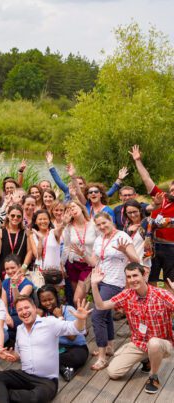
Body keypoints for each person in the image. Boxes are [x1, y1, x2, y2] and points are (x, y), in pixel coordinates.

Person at [0, 296, 91, 403]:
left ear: (34, 308)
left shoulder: (50, 323)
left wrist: (81, 319)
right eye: (20, 310)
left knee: (34, 398)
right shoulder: (20, 329)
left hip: (47, 381)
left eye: (27, 308)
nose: (24, 312)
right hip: (25, 375)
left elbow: (75, 328)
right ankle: (0, 393)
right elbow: (19, 356)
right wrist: (12, 355)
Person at [91, 263, 174, 394]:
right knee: (113, 372)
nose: (132, 280)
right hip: (139, 343)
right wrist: (94, 285)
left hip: (162, 343)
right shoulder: (127, 295)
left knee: (154, 343)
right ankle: (147, 359)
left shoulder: (162, 294)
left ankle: (153, 376)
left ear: (144, 275)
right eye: (128, 277)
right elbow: (101, 306)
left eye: (135, 275)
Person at [71, 212, 139, 370]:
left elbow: (136, 260)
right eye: (99, 225)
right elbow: (94, 262)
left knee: (97, 316)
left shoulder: (122, 236)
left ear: (111, 221)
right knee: (105, 314)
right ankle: (109, 346)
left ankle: (102, 357)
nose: (102, 227)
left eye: (104, 223)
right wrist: (83, 255)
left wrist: (125, 251)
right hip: (100, 280)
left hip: (115, 282)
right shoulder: (99, 239)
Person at [129, 145, 174, 292]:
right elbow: (146, 178)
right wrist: (138, 161)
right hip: (152, 246)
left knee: (170, 281)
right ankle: (155, 307)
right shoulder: (161, 197)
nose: (172, 192)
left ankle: (170, 309)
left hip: (171, 247)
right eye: (172, 189)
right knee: (151, 279)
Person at [37, 285, 89, 382]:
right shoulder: (42, 314)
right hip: (57, 349)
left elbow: (72, 337)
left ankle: (59, 367)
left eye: (50, 299)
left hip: (76, 348)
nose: (48, 303)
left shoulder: (68, 310)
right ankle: (64, 369)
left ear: (56, 297)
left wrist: (60, 317)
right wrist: (37, 319)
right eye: (44, 301)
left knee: (77, 359)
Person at [57, 200, 97, 303]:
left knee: (77, 299)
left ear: (81, 207)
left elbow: (100, 245)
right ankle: (82, 318)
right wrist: (61, 264)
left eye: (73, 206)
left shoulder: (94, 224)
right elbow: (66, 247)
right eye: (69, 209)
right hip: (73, 264)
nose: (72, 210)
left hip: (89, 265)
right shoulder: (69, 227)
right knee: (78, 300)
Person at [0, 205, 31, 275]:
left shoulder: (26, 233)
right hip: (4, 271)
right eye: (12, 215)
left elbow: (29, 252)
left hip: (19, 271)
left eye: (18, 216)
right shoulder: (0, 232)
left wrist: (24, 267)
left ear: (22, 218)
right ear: (8, 216)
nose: (15, 218)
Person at [1, 255, 34, 342]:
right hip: (8, 314)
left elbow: (18, 302)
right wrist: (7, 315)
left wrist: (14, 285)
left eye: (12, 268)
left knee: (6, 326)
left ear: (19, 267)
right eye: (7, 269)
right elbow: (3, 302)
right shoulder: (5, 282)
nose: (10, 271)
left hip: (22, 314)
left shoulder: (28, 284)